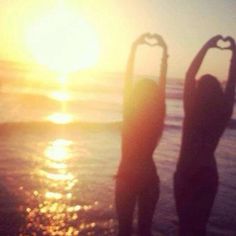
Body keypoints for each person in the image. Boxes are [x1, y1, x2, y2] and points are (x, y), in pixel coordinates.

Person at [174, 35, 236, 236]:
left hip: (185, 171)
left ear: (198, 90)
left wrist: (207, 46)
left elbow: (189, 73)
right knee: (199, 229)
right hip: (207, 174)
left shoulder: (191, 109)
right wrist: (234, 52)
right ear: (217, 91)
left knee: (185, 227)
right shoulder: (223, 112)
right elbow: (232, 84)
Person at [115, 33, 168, 236]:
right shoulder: (156, 117)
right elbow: (161, 87)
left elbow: (127, 79)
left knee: (124, 230)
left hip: (127, 175)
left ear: (135, 96)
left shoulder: (130, 114)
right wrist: (164, 51)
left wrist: (135, 47)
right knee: (145, 230)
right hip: (148, 177)